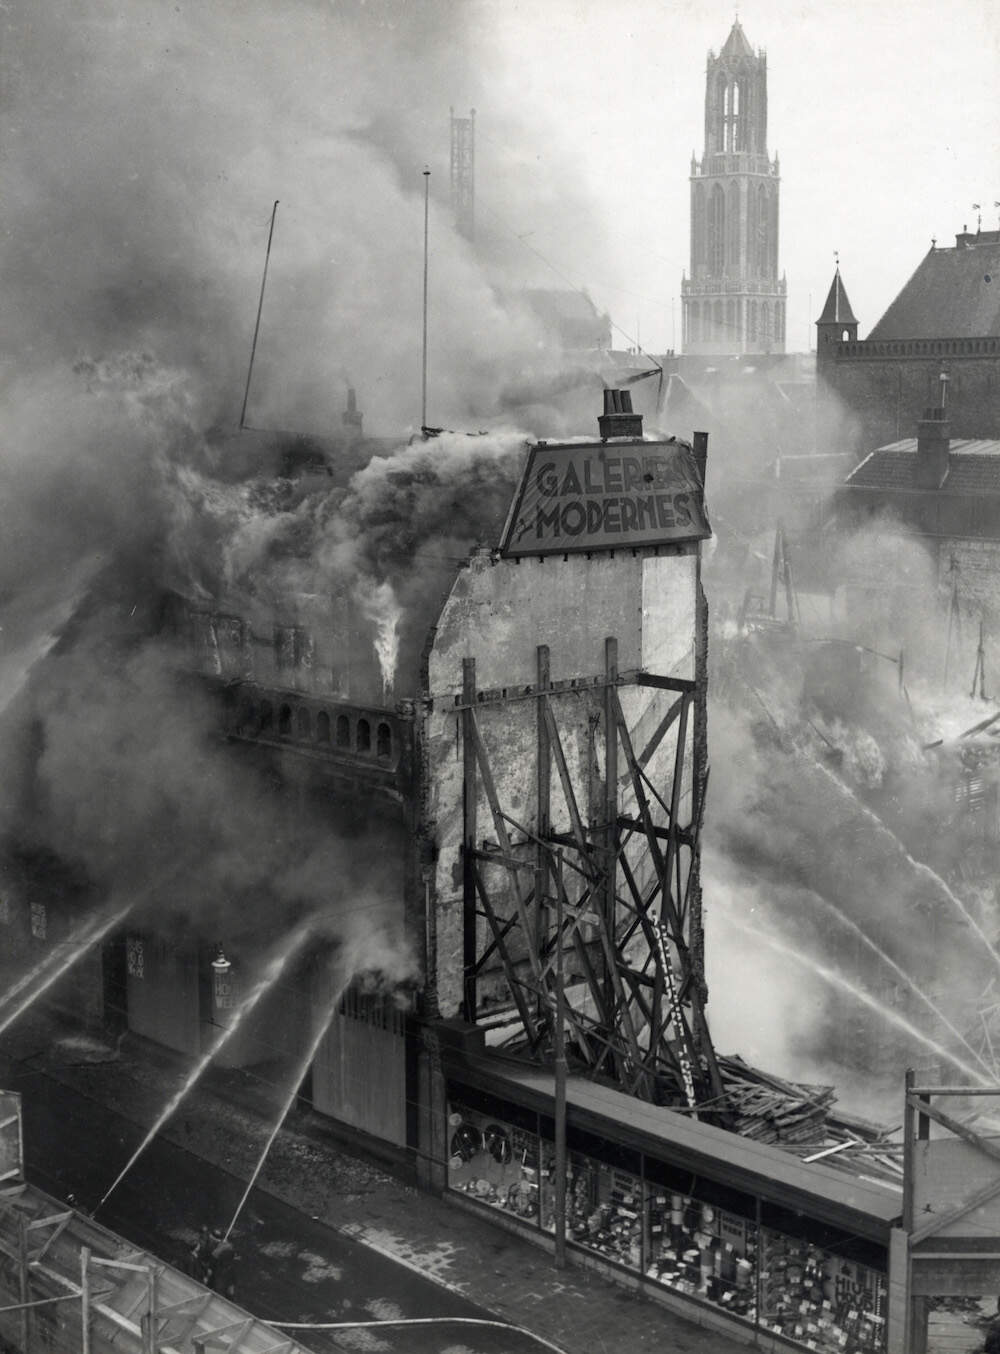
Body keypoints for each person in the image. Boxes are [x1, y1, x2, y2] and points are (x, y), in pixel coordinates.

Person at [208, 1228, 237, 1300]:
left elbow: (213, 1258)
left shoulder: (219, 1250)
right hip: (225, 1269)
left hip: (219, 1269)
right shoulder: (227, 1246)